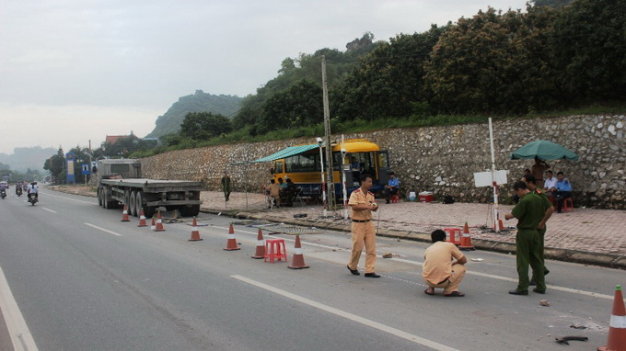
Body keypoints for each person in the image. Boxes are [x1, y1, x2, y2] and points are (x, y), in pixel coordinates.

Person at [504, 181, 546, 295]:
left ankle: (522, 287)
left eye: (516, 192)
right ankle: (541, 286)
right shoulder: (538, 197)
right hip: (536, 232)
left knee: (523, 260)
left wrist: (506, 216)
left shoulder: (525, 200)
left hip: (525, 232)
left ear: (520, 189)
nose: (517, 195)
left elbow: (514, 214)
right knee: (536, 259)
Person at [522, 175, 554, 284]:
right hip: (530, 228)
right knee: (530, 252)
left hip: (538, 228)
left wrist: (542, 222)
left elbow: (550, 208)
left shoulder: (539, 194)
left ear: (529, 182)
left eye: (524, 182)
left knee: (537, 253)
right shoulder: (528, 195)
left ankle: (537, 277)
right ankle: (541, 270)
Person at [346, 174, 380, 278]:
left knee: (371, 248)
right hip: (358, 223)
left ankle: (369, 270)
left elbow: (374, 206)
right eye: (369, 181)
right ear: (363, 182)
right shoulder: (355, 194)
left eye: (371, 182)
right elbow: (354, 206)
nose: (371, 184)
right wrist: (367, 206)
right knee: (358, 248)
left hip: (369, 223)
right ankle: (352, 266)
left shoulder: (371, 195)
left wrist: (375, 207)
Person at [422, 229, 467, 297]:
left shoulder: (428, 249)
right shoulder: (449, 245)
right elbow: (463, 260)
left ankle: (430, 289)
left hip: (428, 280)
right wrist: (455, 263)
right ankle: (449, 290)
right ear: (444, 238)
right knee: (461, 267)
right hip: (444, 282)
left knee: (428, 265)